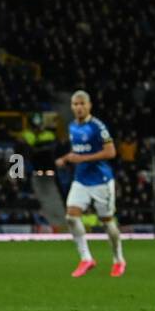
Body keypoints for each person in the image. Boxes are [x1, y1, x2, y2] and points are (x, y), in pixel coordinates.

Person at [56, 90, 124, 277]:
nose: (78, 107)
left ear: (89, 105)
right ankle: (86, 258)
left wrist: (83, 158)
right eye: (75, 104)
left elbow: (111, 152)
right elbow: (78, 151)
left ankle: (118, 260)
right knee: (70, 216)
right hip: (81, 180)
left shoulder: (98, 127)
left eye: (82, 104)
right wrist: (66, 158)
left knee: (107, 222)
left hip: (101, 181)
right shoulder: (71, 127)